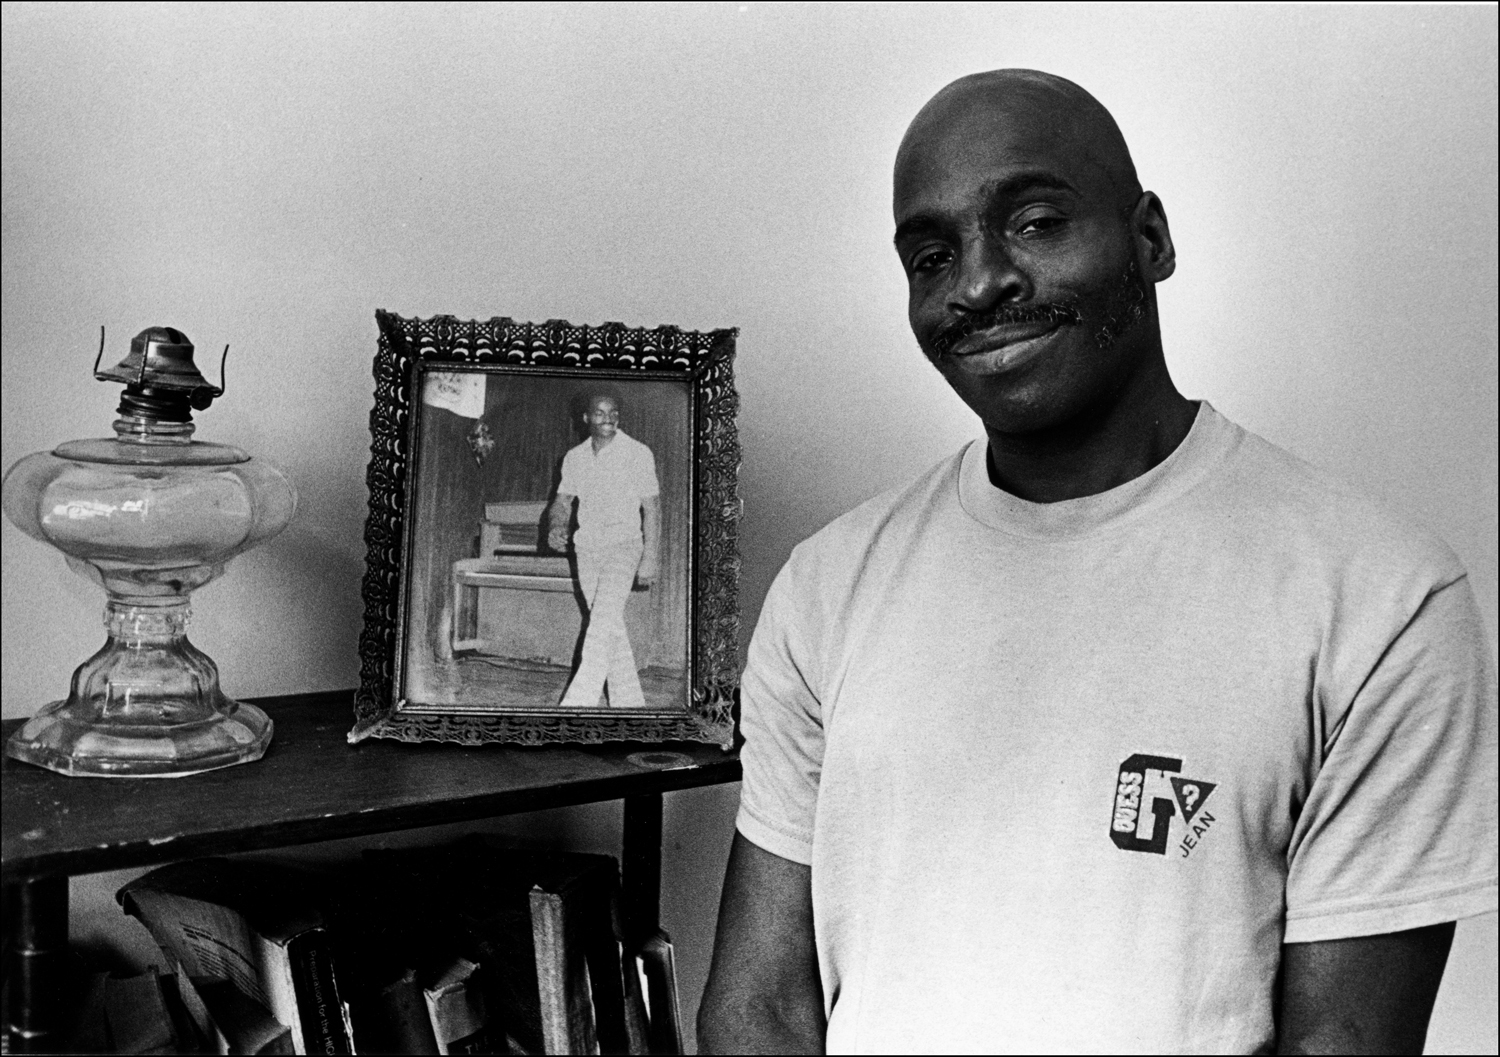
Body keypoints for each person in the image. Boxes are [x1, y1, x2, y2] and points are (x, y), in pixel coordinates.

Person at [699, 69, 1497, 1054]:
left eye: (1034, 220)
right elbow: (756, 1014)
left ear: (1150, 238)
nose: (977, 284)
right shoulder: (827, 590)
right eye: (931, 254)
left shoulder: (1381, 599)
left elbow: (1344, 1040)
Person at [548, 392, 661, 709]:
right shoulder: (574, 458)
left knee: (600, 625)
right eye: (599, 413)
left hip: (624, 546)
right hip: (587, 550)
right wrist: (556, 526)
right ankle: (631, 705)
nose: (607, 418)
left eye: (613, 412)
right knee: (609, 625)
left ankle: (575, 705)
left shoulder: (638, 453)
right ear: (585, 419)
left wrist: (650, 556)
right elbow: (562, 502)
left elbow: (652, 508)